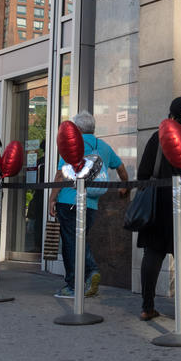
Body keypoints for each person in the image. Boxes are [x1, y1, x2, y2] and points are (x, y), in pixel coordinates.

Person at [136, 97, 181, 321]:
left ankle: (147, 307)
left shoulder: (158, 138)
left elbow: (143, 173)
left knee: (153, 254)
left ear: (173, 116)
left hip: (159, 202)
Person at [50, 111, 129, 298]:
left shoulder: (74, 144)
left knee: (70, 243)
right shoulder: (103, 146)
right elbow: (120, 167)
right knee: (80, 239)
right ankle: (87, 277)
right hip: (91, 203)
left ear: (76, 129)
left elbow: (61, 174)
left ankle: (73, 285)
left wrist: (52, 198)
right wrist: (125, 186)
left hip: (69, 201)